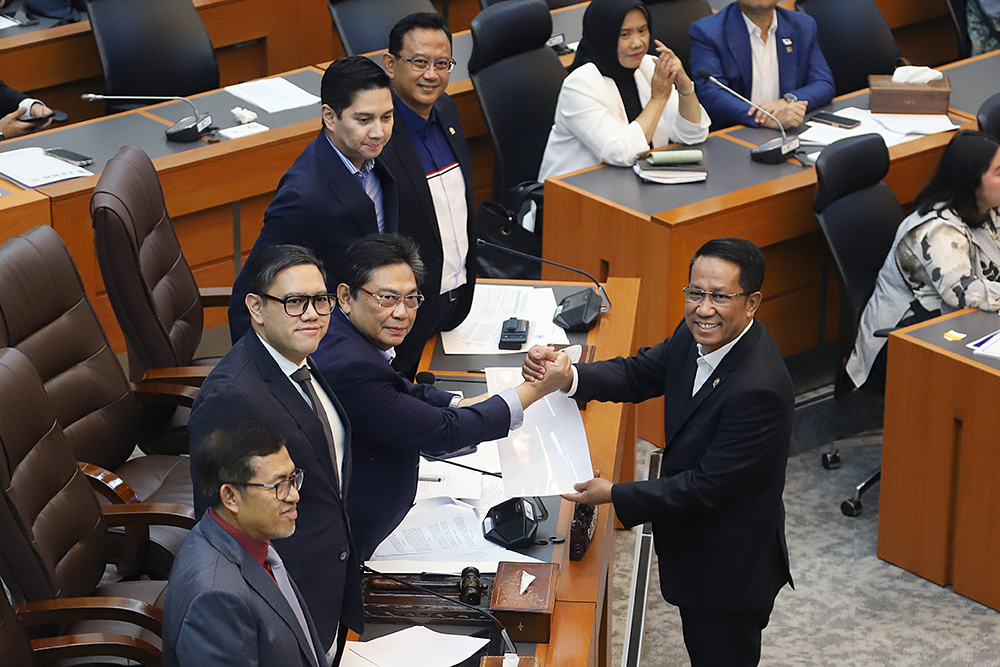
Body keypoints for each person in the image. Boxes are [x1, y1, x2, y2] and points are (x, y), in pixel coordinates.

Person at [524, 238, 793, 667]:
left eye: (720, 296)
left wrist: (614, 493)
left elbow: (706, 489)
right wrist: (568, 376)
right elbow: (640, 373)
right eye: (695, 293)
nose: (704, 308)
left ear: (752, 302)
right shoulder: (697, 336)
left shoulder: (758, 389)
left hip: (729, 569)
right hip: (696, 547)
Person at [315, 234, 569, 559]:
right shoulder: (350, 364)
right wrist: (536, 389)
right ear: (346, 296)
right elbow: (444, 433)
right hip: (348, 539)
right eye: (387, 298)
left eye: (411, 299)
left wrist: (467, 403)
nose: (402, 313)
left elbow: (402, 391)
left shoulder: (342, 334)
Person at [190, 245, 361, 663]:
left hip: (328, 578)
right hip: (284, 601)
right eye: (294, 302)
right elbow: (223, 523)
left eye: (320, 301)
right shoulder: (231, 397)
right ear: (256, 307)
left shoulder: (296, 357)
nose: (312, 314)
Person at [228, 56, 398, 343]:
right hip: (329, 346)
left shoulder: (374, 156)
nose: (379, 132)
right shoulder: (303, 196)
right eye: (364, 119)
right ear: (330, 117)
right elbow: (251, 294)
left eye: (387, 117)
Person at [163, 421, 326, 667]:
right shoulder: (215, 599)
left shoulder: (245, 535)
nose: (294, 495)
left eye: (293, 478)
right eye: (278, 485)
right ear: (230, 497)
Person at [847, 130, 1000, 389]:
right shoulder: (936, 231)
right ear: (972, 182)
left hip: (957, 322)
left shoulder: (987, 209)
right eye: (999, 172)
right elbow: (963, 293)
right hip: (906, 338)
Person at [380, 13, 476, 380]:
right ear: (390, 64)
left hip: (455, 301)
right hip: (405, 312)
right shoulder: (379, 131)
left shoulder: (447, 108)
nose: (431, 75)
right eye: (419, 62)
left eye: (442, 64)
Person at [537, 0, 710, 183]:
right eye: (625, 35)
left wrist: (685, 87)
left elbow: (693, 135)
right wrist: (658, 99)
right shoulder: (579, 85)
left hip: (637, 185)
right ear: (605, 37)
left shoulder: (648, 67)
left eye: (642, 31)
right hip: (574, 197)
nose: (638, 43)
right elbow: (620, 153)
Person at [689, 0, 834, 131]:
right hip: (736, 132)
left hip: (789, 129)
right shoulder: (708, 31)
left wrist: (787, 101)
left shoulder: (802, 25)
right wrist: (767, 118)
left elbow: (823, 83)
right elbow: (711, 94)